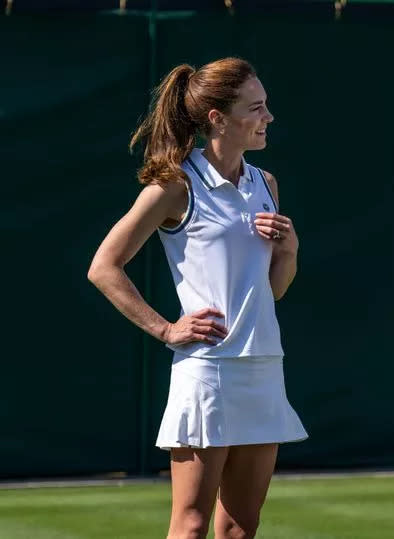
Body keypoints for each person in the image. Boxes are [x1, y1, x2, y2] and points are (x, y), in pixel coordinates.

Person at [88, 57, 307, 539]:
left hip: (264, 365)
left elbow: (272, 290)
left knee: (240, 528)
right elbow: (104, 267)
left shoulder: (265, 184)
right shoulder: (173, 186)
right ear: (218, 118)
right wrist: (166, 329)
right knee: (190, 526)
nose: (268, 117)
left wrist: (288, 250)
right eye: (257, 108)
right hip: (208, 371)